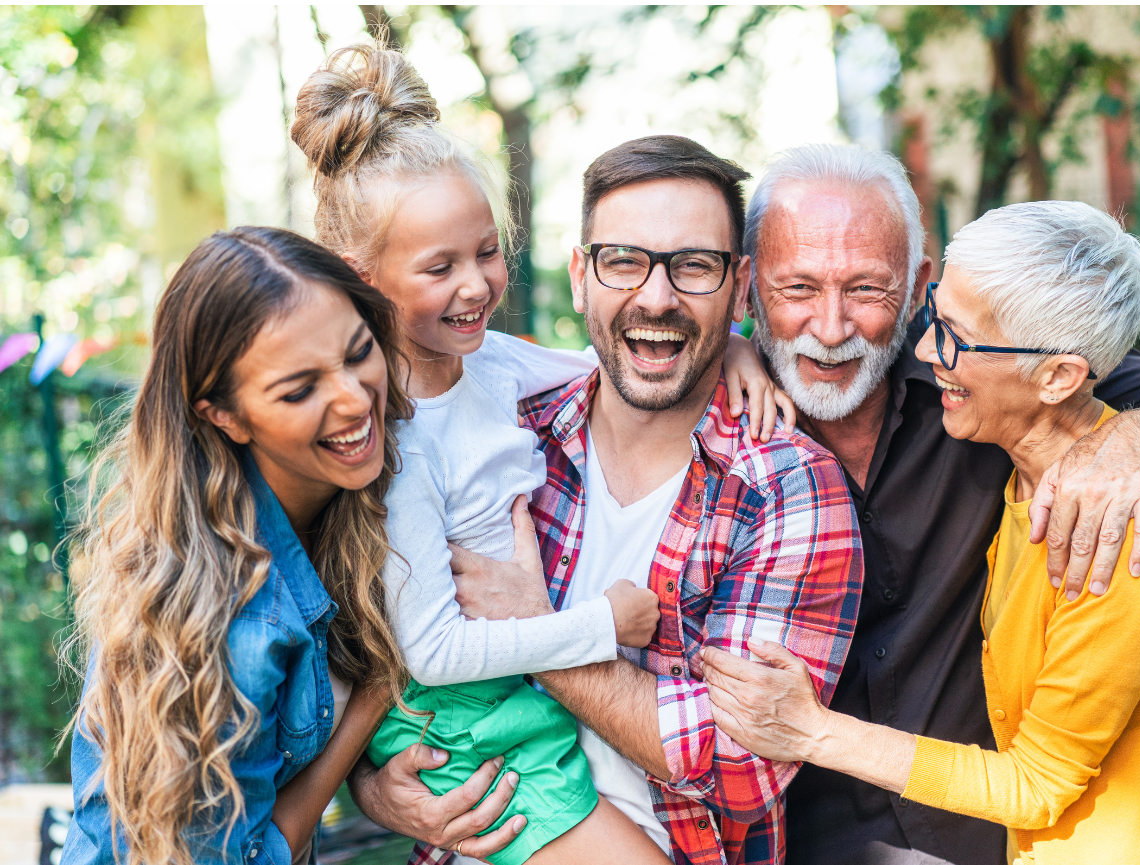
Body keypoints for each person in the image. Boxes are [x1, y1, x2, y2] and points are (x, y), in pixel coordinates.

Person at [290, 50, 794, 864]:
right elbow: (430, 651)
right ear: (364, 279)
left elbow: (620, 356)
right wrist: (600, 627)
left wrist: (733, 346)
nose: (476, 285)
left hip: (514, 706)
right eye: (440, 267)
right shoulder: (398, 443)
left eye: (486, 252)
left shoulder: (492, 365)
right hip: (464, 715)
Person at [352, 134, 864, 865]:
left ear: (740, 286)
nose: (656, 297)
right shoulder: (507, 429)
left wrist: (538, 629)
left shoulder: (785, 487)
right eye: (623, 260)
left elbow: (741, 763)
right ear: (580, 276)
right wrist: (373, 787)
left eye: (695, 266)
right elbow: (374, 631)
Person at [736, 144, 1140, 865]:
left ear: (914, 286)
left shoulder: (1101, 494)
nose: (830, 325)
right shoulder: (1010, 460)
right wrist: (728, 351)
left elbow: (1038, 780)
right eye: (795, 288)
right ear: (747, 288)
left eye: (867, 289)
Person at [62, 227, 416, 864]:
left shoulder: (337, 489)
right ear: (223, 414)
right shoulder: (235, 620)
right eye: (299, 390)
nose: (354, 398)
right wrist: (372, 699)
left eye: (359, 351)